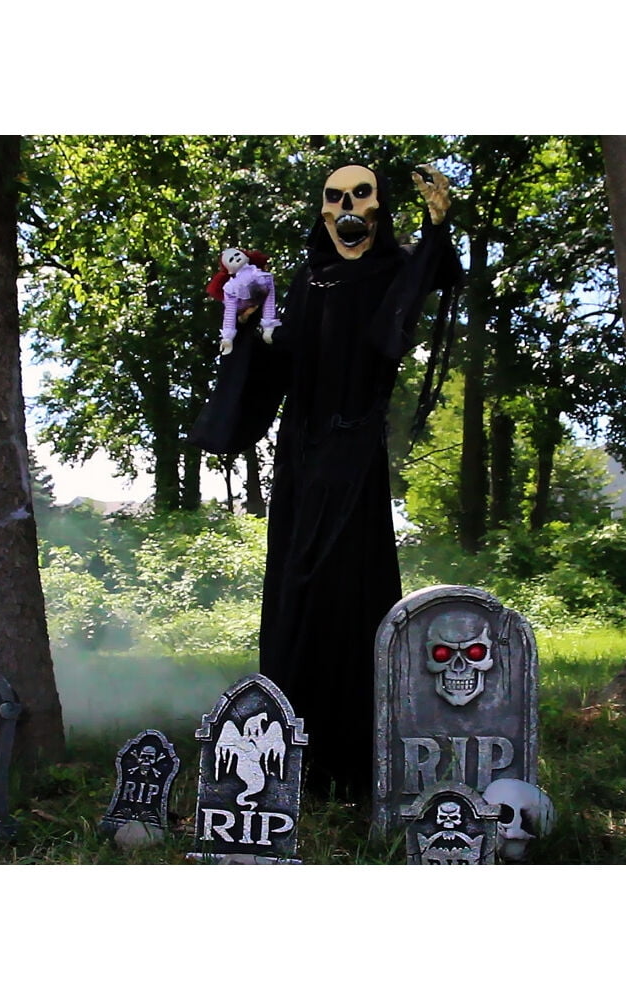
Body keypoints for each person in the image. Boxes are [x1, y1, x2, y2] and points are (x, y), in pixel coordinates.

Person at [189, 163, 462, 798]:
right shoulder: (308, 280)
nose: (347, 206)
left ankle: (353, 749)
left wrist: (436, 226)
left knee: (350, 579)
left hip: (354, 447)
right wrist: (250, 321)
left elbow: (426, 282)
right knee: (296, 583)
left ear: (377, 207)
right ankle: (291, 740)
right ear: (322, 210)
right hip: (301, 452)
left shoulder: (393, 267)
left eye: (361, 195)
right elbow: (281, 358)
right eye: (335, 197)